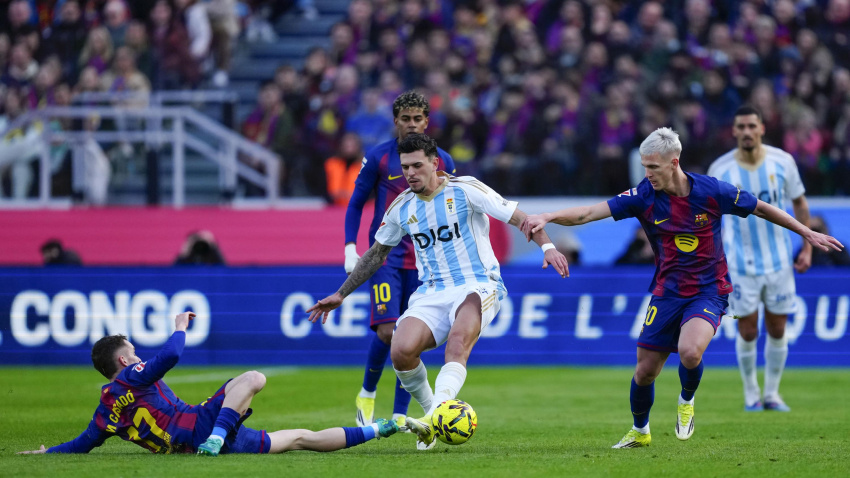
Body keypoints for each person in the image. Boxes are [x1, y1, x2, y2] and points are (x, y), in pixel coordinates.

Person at [521, 127, 842, 449]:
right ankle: (640, 430)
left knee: (690, 352)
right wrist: (548, 215)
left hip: (709, 290)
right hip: (667, 292)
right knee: (645, 371)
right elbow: (588, 213)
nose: (647, 174)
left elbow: (760, 207)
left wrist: (805, 232)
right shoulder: (644, 196)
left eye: (653, 167)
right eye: (645, 167)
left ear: (673, 163)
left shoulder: (711, 191)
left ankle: (686, 401)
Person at [310, 133, 569, 450]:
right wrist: (342, 293)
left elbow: (521, 218)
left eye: (417, 165)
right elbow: (377, 254)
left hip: (478, 283)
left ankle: (433, 420)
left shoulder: (467, 190)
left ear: (435, 163)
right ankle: (433, 416)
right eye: (405, 167)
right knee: (401, 350)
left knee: (458, 340)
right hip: (432, 292)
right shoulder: (401, 207)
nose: (410, 173)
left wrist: (548, 247)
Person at [18, 312, 400, 456]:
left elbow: (82, 444)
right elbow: (169, 356)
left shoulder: (106, 410)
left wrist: (46, 454)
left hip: (184, 444)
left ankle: (375, 429)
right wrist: (179, 328)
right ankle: (219, 436)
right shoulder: (132, 377)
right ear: (123, 360)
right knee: (254, 378)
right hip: (199, 426)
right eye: (133, 351)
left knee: (298, 437)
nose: (138, 356)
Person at [343, 92, 456, 430]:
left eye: (417, 119)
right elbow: (355, 203)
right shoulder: (379, 157)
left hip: (425, 258)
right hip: (385, 257)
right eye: (405, 119)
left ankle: (399, 413)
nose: (411, 125)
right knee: (388, 332)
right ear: (396, 121)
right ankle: (366, 392)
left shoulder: (443, 160)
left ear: (426, 121)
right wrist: (350, 246)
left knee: (410, 336)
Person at [707, 105, 811, 412]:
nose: (747, 132)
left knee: (778, 328)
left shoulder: (783, 162)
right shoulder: (721, 169)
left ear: (762, 129)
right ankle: (752, 394)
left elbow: (800, 204)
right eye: (741, 127)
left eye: (752, 126)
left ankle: (773, 394)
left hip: (779, 261)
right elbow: (710, 217)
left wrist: (806, 247)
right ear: (735, 131)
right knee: (748, 329)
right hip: (739, 264)